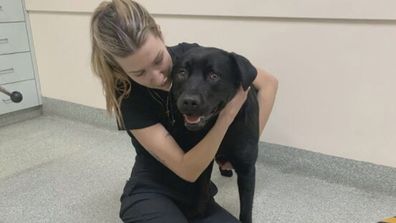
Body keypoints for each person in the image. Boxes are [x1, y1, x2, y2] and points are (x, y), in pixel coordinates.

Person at [90, 0, 278, 222]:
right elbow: (187, 169)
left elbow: (268, 84)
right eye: (139, 73)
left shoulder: (193, 57)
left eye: (158, 59)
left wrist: (246, 145)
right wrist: (227, 116)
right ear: (120, 68)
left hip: (200, 194)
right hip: (153, 191)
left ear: (159, 33)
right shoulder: (128, 95)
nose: (158, 76)